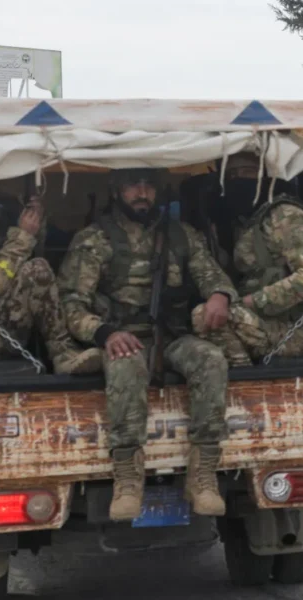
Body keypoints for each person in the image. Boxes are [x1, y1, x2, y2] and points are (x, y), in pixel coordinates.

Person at [58, 168, 238, 521]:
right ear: (116, 191)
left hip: (170, 335)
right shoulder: (95, 239)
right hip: (122, 336)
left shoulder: (180, 235)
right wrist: (105, 333)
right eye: (133, 185)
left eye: (149, 185)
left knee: (211, 358)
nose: (142, 192)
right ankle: (128, 478)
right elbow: (71, 304)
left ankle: (202, 476)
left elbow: (211, 274)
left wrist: (219, 295)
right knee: (126, 364)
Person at [0, 166, 102, 375]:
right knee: (36, 269)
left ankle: (64, 353)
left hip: (0, 327)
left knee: (37, 269)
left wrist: (35, 226)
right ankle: (61, 352)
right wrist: (24, 235)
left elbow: (22, 265)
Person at [192, 152, 303, 366]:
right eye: (232, 175)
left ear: (265, 177)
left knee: (204, 316)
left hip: (294, 331)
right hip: (261, 324)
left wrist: (253, 303)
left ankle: (243, 379)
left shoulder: (283, 215)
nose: (239, 180)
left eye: (248, 173)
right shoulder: (244, 222)